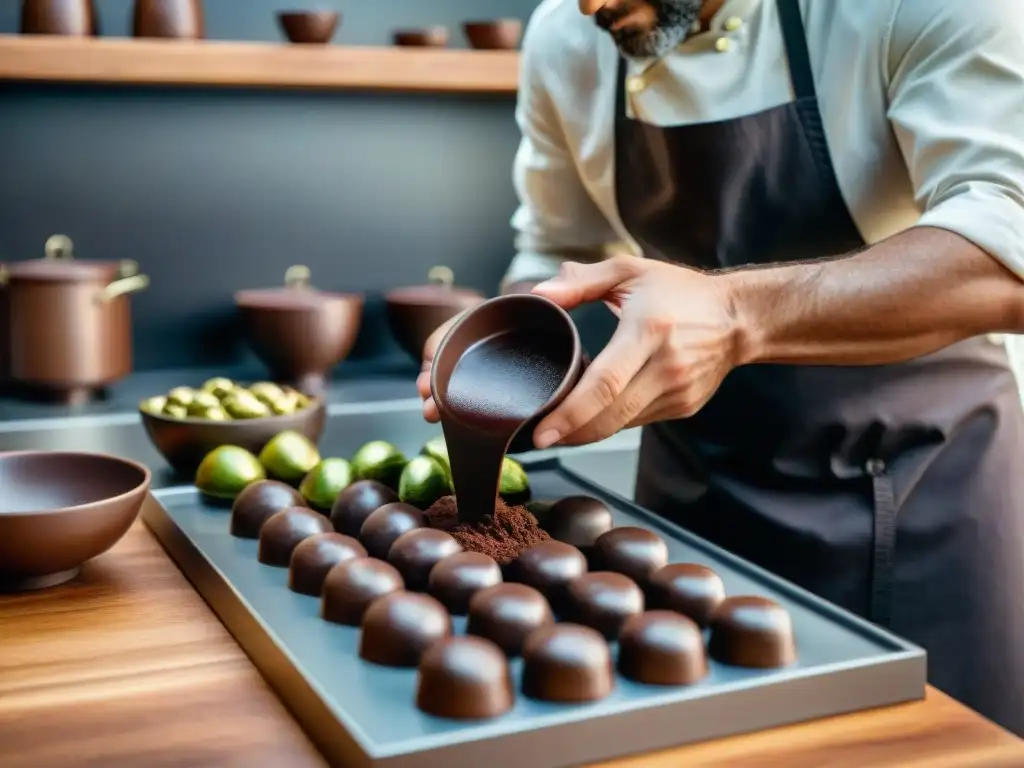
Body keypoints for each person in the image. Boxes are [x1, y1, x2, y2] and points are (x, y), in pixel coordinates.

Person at [418, 0, 1024, 734]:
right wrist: (503, 335)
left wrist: (740, 316)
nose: (589, 5)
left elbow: (1008, 251)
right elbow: (557, 246)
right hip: (693, 496)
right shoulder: (567, 37)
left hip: (920, 488)